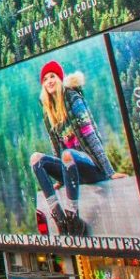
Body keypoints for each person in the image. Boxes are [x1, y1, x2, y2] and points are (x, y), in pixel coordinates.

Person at [30, 60, 122, 236]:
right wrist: (60, 177)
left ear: (59, 79)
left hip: (90, 166)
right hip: (69, 168)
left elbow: (91, 136)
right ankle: (60, 218)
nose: (49, 81)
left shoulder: (73, 98)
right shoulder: (48, 110)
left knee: (67, 154)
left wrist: (109, 171)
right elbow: (55, 144)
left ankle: (73, 217)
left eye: (52, 77)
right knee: (36, 159)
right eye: (45, 79)